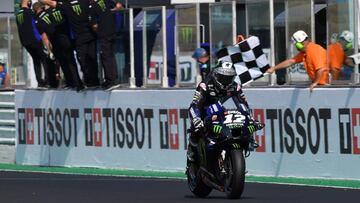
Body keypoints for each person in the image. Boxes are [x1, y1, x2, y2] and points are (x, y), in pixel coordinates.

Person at [187, 62, 264, 161]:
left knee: (234, 117)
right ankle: (192, 150)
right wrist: (196, 119)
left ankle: (244, 142)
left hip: (218, 107)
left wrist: (250, 118)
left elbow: (243, 104)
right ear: (215, 75)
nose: (226, 81)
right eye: (222, 77)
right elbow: (194, 106)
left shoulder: (235, 86)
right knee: (197, 127)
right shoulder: (205, 85)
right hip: (204, 108)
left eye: (229, 78)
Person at [40, 0, 100, 88]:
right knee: (91, 59)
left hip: (77, 38)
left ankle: (86, 81)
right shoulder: (83, 2)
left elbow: (52, 3)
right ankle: (93, 81)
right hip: (89, 35)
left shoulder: (65, 6)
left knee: (82, 61)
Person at [32, 2, 84, 90]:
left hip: (55, 42)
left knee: (63, 63)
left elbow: (45, 37)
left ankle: (70, 83)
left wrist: (49, 51)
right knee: (71, 61)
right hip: (66, 38)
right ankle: (78, 82)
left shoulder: (40, 19)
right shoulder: (60, 9)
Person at [89, 0, 122, 90]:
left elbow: (94, 25)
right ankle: (114, 79)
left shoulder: (93, 7)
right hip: (112, 31)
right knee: (110, 55)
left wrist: (99, 31)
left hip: (104, 34)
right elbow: (119, 6)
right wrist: (110, 13)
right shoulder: (107, 1)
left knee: (106, 57)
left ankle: (110, 81)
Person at [16, 0, 50, 88]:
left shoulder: (17, 15)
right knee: (45, 58)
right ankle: (48, 80)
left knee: (36, 60)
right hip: (34, 40)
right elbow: (36, 25)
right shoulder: (30, 13)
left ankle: (40, 82)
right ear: (28, 3)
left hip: (25, 42)